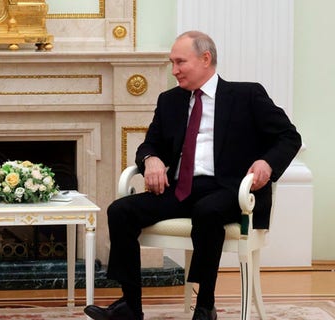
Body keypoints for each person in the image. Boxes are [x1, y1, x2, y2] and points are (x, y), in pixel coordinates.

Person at [84, 31, 302, 320]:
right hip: (181, 188)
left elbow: (289, 136)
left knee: (207, 210)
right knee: (120, 210)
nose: (173, 70)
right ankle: (130, 306)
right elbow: (150, 144)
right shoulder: (169, 101)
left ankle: (205, 305)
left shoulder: (247, 95)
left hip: (229, 189)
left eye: (180, 62)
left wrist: (266, 163)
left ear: (205, 59)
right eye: (171, 62)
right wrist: (151, 160)